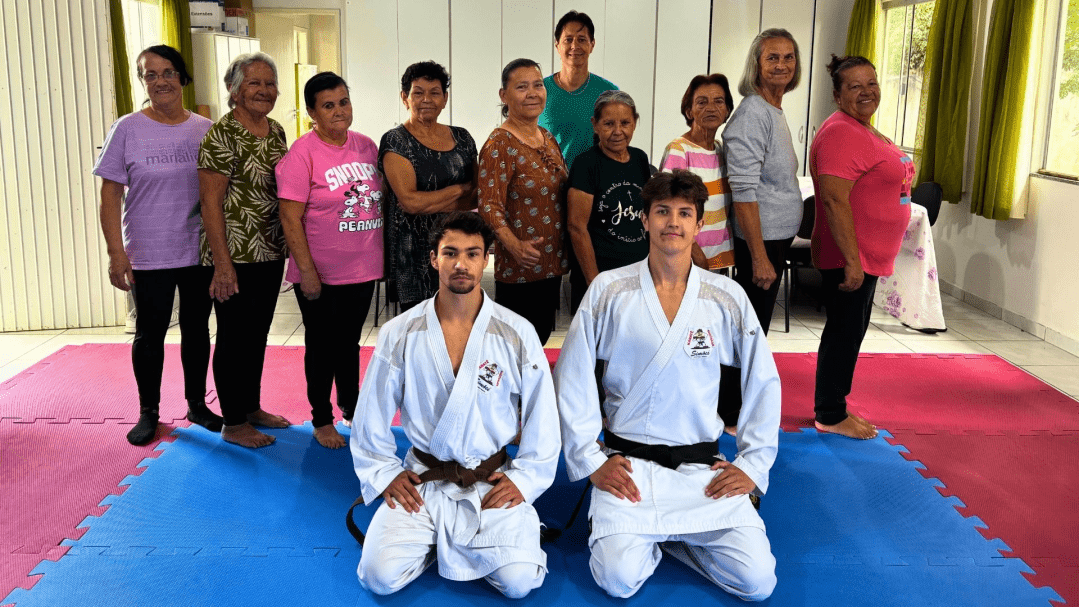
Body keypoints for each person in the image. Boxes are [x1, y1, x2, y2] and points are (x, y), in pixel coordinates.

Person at [554, 170, 780, 601]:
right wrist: (589, 458)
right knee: (617, 579)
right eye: (662, 212)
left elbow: (763, 381)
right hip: (628, 469)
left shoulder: (726, 296)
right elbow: (572, 377)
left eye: (684, 213)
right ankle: (658, 536)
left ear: (699, 224)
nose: (672, 222)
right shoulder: (609, 290)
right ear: (644, 220)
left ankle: (669, 539)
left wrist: (752, 465)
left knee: (757, 582)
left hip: (702, 471)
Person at [350, 211, 560, 599]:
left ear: (486, 259)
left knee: (519, 583)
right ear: (434, 259)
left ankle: (451, 543)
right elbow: (370, 415)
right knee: (377, 576)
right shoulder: (400, 332)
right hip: (423, 480)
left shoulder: (516, 332)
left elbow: (542, 416)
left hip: (490, 480)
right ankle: (442, 543)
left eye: (472, 253)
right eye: (450, 253)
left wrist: (525, 479)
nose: (461, 264)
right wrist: (384, 472)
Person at [93, 44, 221, 445]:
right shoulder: (127, 128)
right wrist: (116, 254)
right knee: (150, 335)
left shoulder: (205, 129)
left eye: (167, 72)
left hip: (197, 249)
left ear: (182, 77)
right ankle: (149, 411)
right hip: (148, 251)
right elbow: (110, 195)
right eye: (150, 74)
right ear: (142, 81)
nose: (160, 81)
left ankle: (197, 403)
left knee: (197, 330)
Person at [277, 72, 383, 449]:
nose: (339, 111)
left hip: (363, 269)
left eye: (343, 102)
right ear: (312, 112)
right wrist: (307, 271)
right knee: (322, 347)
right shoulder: (302, 153)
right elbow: (290, 217)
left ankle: (351, 407)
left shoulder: (367, 146)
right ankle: (321, 418)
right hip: (320, 273)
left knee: (349, 343)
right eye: (328, 105)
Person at [810, 55, 913, 440]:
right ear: (838, 96)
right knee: (844, 332)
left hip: (866, 255)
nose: (866, 91)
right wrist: (853, 262)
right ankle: (830, 413)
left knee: (850, 331)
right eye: (854, 86)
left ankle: (834, 406)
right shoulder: (841, 132)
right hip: (850, 255)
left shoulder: (861, 128)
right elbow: (834, 200)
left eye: (871, 83)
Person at [198, 52, 291, 448]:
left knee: (257, 333)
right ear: (234, 90)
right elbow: (210, 203)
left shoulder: (276, 130)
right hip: (233, 255)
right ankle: (233, 422)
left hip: (269, 250)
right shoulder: (221, 135)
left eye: (269, 83)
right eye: (254, 83)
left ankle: (251, 407)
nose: (264, 90)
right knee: (234, 337)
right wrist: (222, 265)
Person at [478, 58, 569, 345]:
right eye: (522, 87)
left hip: (551, 262)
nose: (532, 93)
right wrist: (515, 247)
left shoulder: (547, 137)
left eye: (538, 85)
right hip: (520, 267)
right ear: (504, 95)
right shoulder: (499, 144)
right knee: (515, 343)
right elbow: (489, 205)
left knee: (539, 335)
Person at [723, 28, 804, 331]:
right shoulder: (753, 113)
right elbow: (743, 191)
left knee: (757, 327)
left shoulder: (772, 109)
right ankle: (742, 368)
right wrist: (759, 257)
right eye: (772, 58)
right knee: (751, 329)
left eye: (788, 57)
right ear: (756, 65)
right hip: (761, 242)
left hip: (774, 238)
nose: (782, 65)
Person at [380, 61, 477, 311]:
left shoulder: (463, 138)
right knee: (419, 325)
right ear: (405, 98)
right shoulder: (396, 141)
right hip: (413, 256)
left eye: (434, 92)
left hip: (458, 249)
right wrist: (460, 189)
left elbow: (477, 195)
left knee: (458, 321)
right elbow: (410, 203)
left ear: (445, 99)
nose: (426, 99)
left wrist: (429, 201)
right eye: (418, 92)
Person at [566, 90, 651, 313]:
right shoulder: (586, 164)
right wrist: (595, 283)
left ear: (635, 123)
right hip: (601, 275)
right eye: (608, 124)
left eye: (625, 123)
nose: (618, 131)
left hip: (638, 273)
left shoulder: (640, 159)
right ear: (595, 125)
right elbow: (576, 227)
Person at [660, 74, 736, 273]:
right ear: (689, 111)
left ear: (727, 110)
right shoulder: (679, 150)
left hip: (719, 257)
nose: (711, 108)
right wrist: (695, 252)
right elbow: (668, 208)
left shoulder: (722, 150)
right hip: (688, 259)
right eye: (702, 102)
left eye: (718, 101)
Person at [538, 10, 618, 171]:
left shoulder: (609, 93)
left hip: (595, 180)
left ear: (592, 45)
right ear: (557, 45)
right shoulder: (539, 90)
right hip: (548, 180)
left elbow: (617, 141)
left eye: (581, 39)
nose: (574, 46)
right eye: (568, 40)